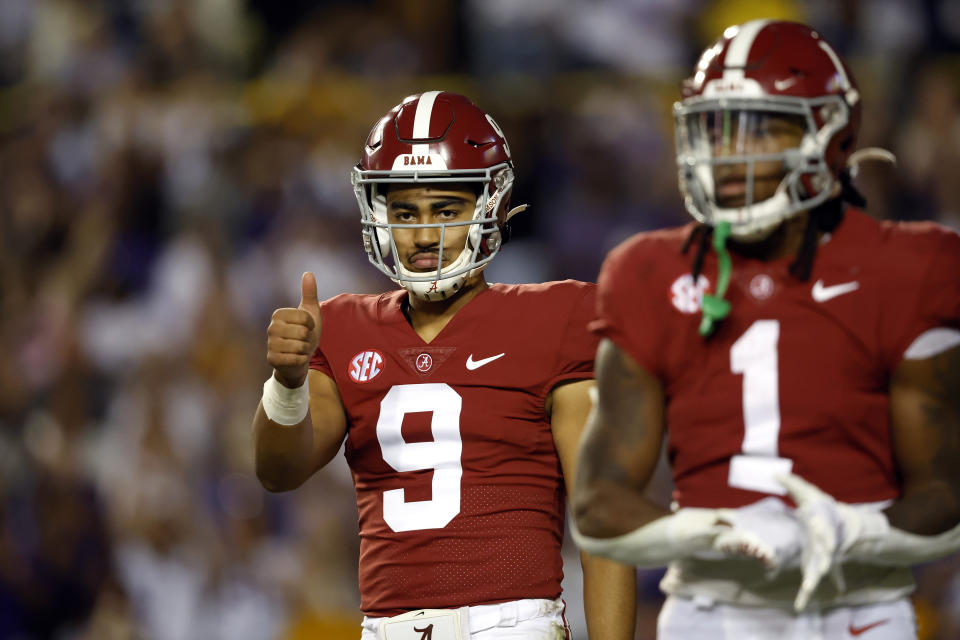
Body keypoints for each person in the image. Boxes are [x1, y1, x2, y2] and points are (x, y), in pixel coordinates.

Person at [570, 19, 960, 639]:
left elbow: (945, 492)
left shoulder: (908, 267)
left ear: (830, 133)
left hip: (858, 609)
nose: (730, 153)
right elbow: (597, 502)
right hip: (710, 611)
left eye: (761, 128)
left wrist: (853, 531)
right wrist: (710, 533)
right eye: (717, 128)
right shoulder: (647, 271)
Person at [252, 91, 636, 640]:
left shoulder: (558, 318)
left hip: (511, 625)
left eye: (446, 210)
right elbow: (277, 471)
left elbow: (604, 518)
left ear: (491, 206)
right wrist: (286, 383)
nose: (424, 234)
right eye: (405, 212)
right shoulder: (342, 326)